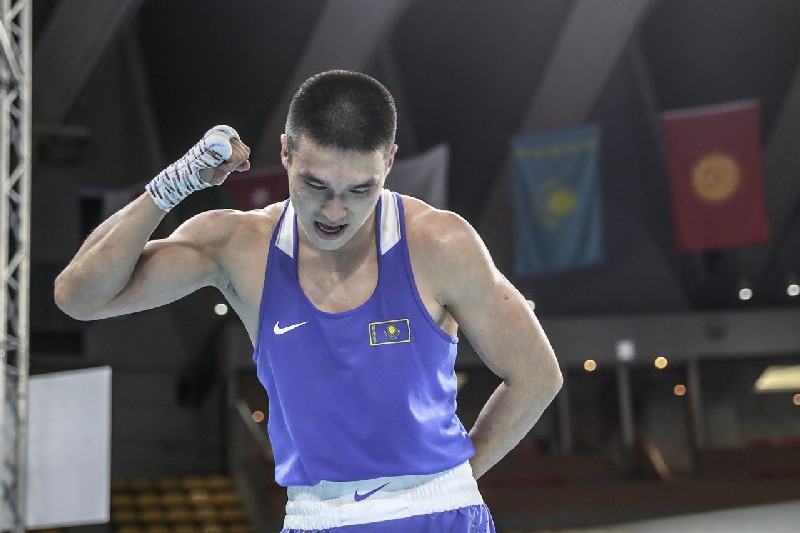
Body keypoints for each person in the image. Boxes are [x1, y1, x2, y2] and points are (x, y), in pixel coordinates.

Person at [55, 70, 562, 532]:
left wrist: (455, 480)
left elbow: (537, 376)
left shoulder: (440, 243)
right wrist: (174, 184)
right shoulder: (238, 246)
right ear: (286, 153)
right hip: (315, 517)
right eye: (315, 185)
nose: (334, 211)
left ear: (388, 161)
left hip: (440, 513)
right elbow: (79, 297)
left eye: (359, 190)